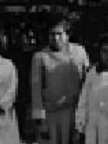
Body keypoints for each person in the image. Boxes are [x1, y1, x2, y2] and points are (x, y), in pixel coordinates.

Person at [30, 14, 90, 144]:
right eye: (52, 34)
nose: (56, 38)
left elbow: (87, 83)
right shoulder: (40, 57)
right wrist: (41, 120)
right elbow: (36, 90)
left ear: (67, 35)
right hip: (51, 114)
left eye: (59, 34)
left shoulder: (79, 52)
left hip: (75, 112)